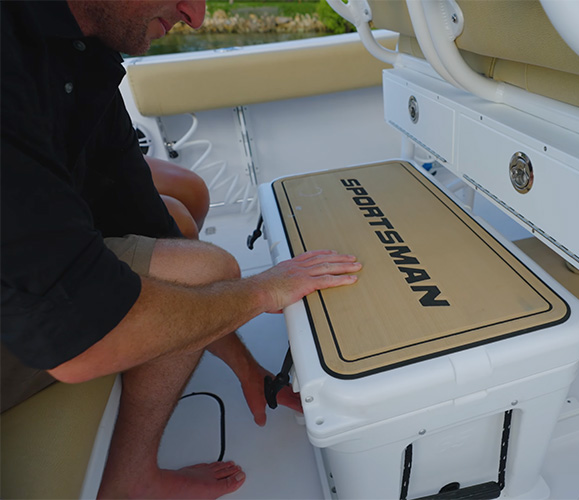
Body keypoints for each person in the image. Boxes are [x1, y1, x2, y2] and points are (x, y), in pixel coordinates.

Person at [0, 1, 361, 498]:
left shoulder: (78, 48)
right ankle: (129, 481)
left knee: (179, 210)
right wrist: (258, 292)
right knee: (210, 265)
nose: (196, 16)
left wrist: (246, 368)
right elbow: (78, 343)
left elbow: (145, 219)